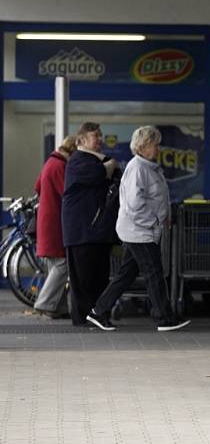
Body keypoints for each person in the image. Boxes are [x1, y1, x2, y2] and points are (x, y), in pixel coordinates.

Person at [86, 126, 190, 332]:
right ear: (143, 146)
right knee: (154, 272)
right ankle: (164, 318)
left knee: (126, 274)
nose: (158, 148)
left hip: (141, 230)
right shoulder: (138, 169)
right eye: (155, 144)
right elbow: (135, 203)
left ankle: (98, 311)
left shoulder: (148, 167)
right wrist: (156, 219)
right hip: (139, 231)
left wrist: (163, 216)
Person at [62, 122, 120, 326]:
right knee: (84, 279)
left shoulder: (93, 160)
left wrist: (110, 165)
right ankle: (83, 319)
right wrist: (109, 165)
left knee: (99, 277)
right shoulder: (78, 161)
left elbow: (114, 174)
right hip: (82, 231)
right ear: (82, 141)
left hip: (96, 230)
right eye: (96, 135)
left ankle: (97, 315)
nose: (100, 139)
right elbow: (99, 174)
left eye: (100, 135)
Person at [32, 135, 78, 318]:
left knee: (54, 265)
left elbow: (37, 187)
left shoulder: (49, 162)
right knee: (63, 264)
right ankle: (45, 302)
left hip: (46, 219)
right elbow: (67, 193)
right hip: (55, 222)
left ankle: (58, 308)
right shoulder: (60, 166)